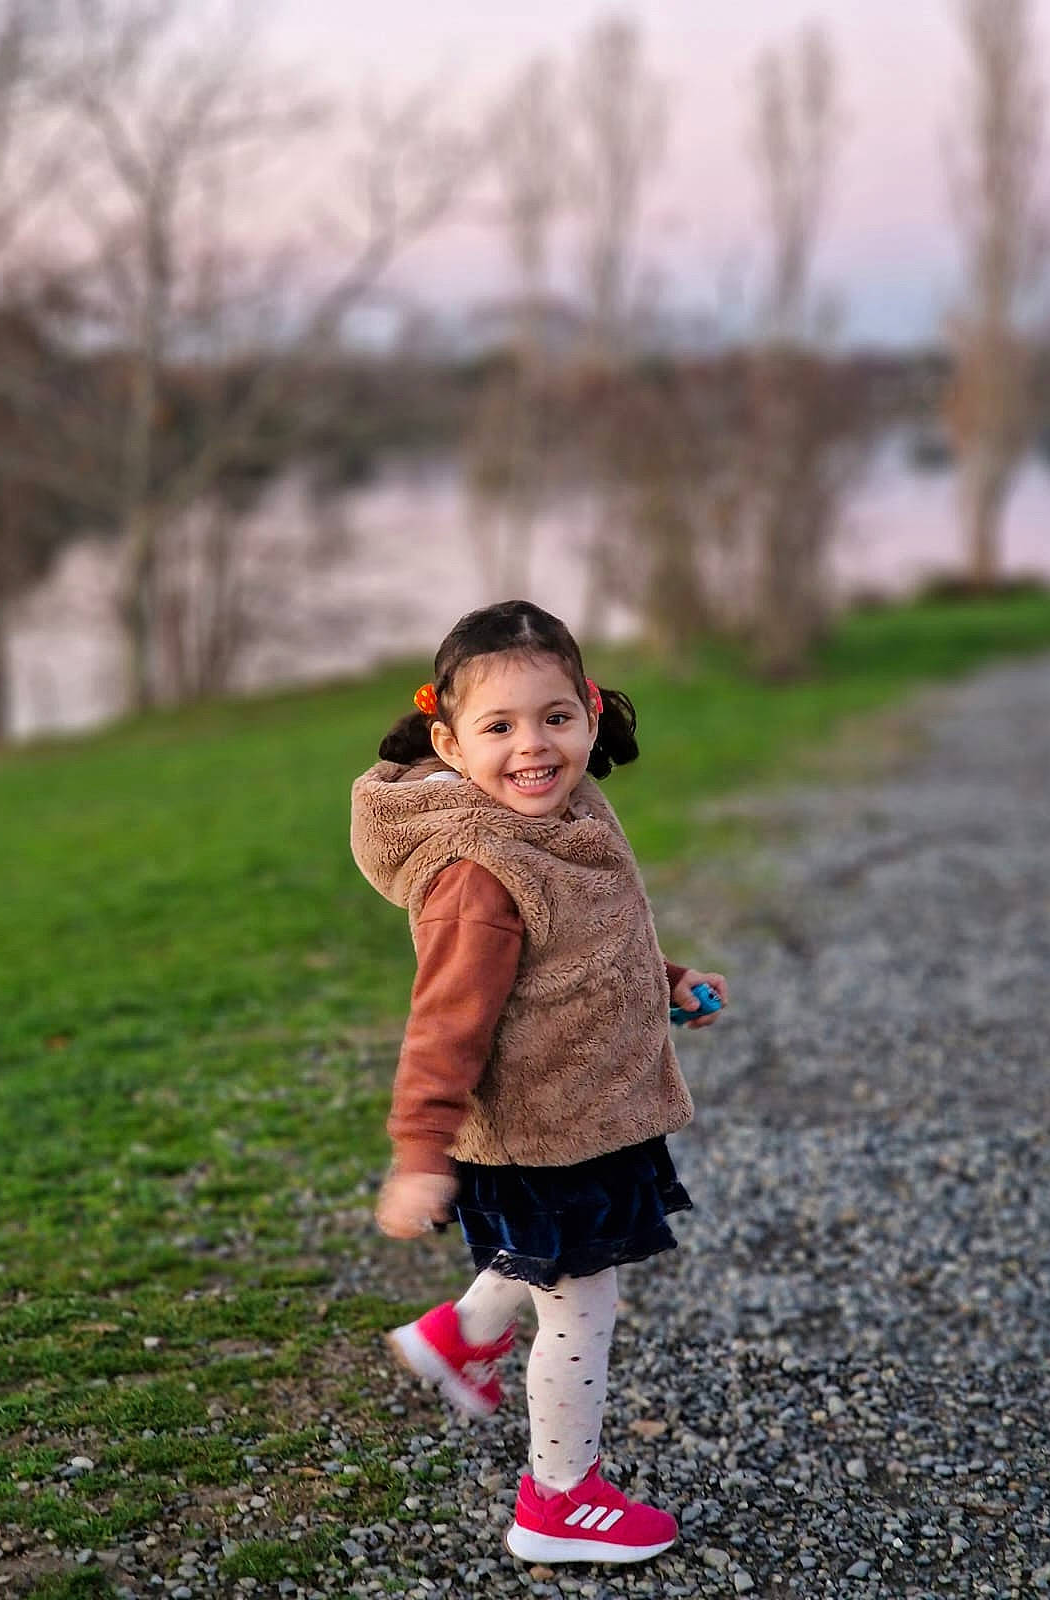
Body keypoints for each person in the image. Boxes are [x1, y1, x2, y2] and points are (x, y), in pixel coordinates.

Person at [350, 599, 728, 1566]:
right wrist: (419, 1151)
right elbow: (444, 1025)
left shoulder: (569, 814)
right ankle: (559, 1497)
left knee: (559, 1272)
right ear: (448, 739)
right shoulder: (477, 874)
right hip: (537, 1127)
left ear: (591, 714)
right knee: (580, 1300)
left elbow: (593, 939)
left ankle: (464, 1339)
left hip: (587, 1112)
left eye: (556, 718)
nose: (534, 747)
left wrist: (667, 979)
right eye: (500, 727)